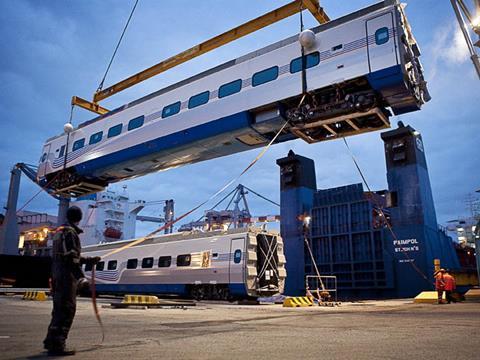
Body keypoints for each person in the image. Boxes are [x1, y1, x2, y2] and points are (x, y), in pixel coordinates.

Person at [43, 206, 100, 356]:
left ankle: (51, 340)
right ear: (79, 218)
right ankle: (58, 345)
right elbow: (72, 258)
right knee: (67, 310)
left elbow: (65, 255)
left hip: (57, 275)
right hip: (66, 278)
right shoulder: (70, 233)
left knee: (58, 310)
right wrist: (82, 279)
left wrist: (88, 260)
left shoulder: (59, 232)